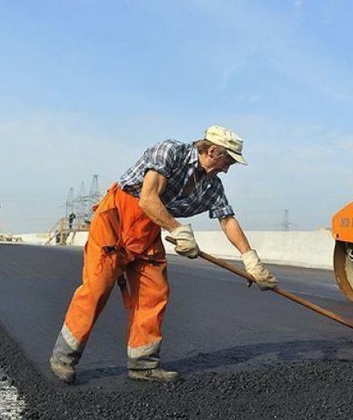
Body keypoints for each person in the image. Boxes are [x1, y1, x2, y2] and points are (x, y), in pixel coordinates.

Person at [49, 125, 278, 384]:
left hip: (148, 228)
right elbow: (147, 198)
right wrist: (178, 230)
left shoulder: (212, 186)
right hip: (116, 217)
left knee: (154, 292)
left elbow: (227, 219)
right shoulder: (170, 151)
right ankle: (64, 357)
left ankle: (143, 364)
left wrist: (251, 259)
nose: (227, 169)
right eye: (228, 161)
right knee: (98, 287)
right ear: (213, 150)